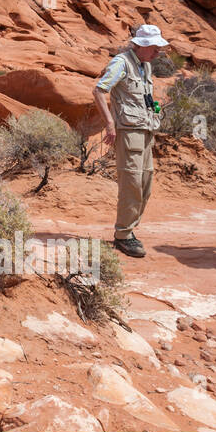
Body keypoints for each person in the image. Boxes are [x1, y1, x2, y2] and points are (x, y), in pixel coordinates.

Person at [92, 24, 167, 258]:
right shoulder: (121, 63)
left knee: (145, 184)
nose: (158, 52)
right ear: (143, 45)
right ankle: (123, 235)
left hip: (145, 131)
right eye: (155, 47)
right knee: (132, 184)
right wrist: (110, 123)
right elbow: (99, 90)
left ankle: (129, 231)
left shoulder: (145, 65)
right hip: (128, 131)